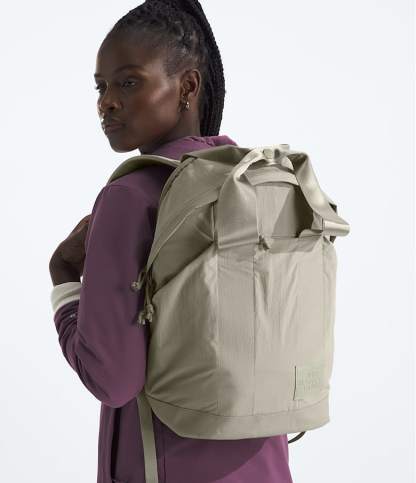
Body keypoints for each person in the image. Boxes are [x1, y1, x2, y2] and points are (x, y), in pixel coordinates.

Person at [49, 1, 293, 482]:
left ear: (188, 87)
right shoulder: (255, 181)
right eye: (101, 87)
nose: (107, 102)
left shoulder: (130, 197)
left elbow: (112, 378)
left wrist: (64, 282)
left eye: (128, 82)